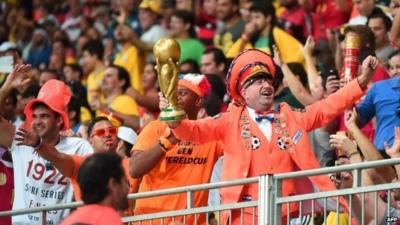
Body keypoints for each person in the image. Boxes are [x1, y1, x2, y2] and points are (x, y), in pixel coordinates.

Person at [161, 49, 379, 223]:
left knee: (379, 216)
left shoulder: (291, 116)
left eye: (268, 81)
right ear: (243, 92)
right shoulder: (229, 120)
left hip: (283, 213)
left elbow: (326, 108)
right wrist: (172, 116)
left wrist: (360, 81)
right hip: (243, 215)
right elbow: (192, 132)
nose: (266, 85)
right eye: (258, 82)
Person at [130, 74, 224, 225]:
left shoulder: (209, 133)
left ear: (198, 101)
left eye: (182, 93)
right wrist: (167, 141)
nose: (176, 98)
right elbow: (134, 169)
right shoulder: (155, 127)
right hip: (150, 221)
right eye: (173, 94)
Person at [2, 69, 93, 224]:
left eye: (44, 116)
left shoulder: (78, 146)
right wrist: (7, 86)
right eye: (34, 116)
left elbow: (99, 172)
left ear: (58, 121)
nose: (37, 122)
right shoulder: (20, 140)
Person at [60, 152, 129, 225]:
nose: (128, 188)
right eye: (125, 182)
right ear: (113, 184)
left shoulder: (69, 221)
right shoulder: (107, 218)